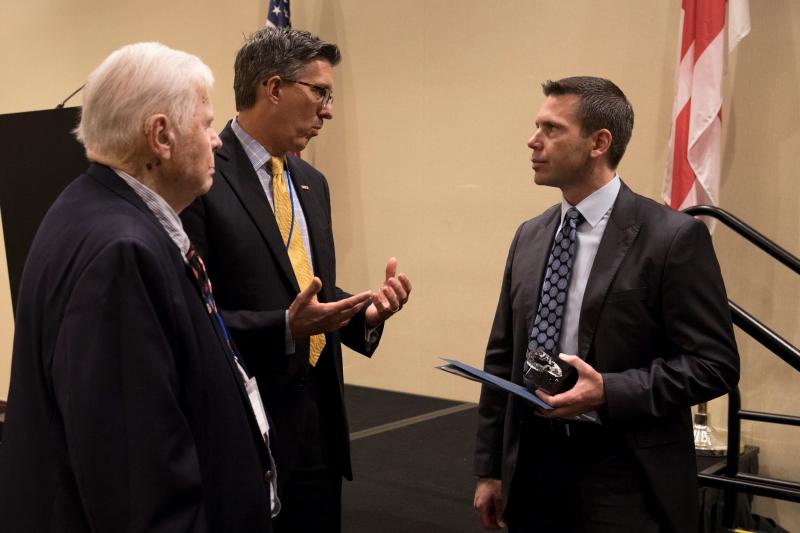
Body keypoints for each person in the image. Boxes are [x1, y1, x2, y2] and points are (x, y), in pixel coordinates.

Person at [0, 42, 277, 532]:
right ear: (161, 136)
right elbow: (137, 484)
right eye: (206, 123)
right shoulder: (120, 253)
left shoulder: (89, 208)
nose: (217, 141)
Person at [472, 76, 739, 533]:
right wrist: (490, 468)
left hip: (623, 474)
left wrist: (609, 392)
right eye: (538, 126)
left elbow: (714, 364)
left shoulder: (671, 237)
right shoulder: (531, 235)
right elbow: (501, 359)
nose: (533, 141)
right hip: (533, 467)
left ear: (599, 142)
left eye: (552, 129)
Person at [180, 27, 411, 533]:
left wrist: (364, 313)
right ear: (274, 88)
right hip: (244, 430)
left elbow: (309, 287)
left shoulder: (311, 182)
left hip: (318, 430)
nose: (328, 109)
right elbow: (190, 316)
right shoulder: (201, 176)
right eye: (320, 92)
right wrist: (283, 326)